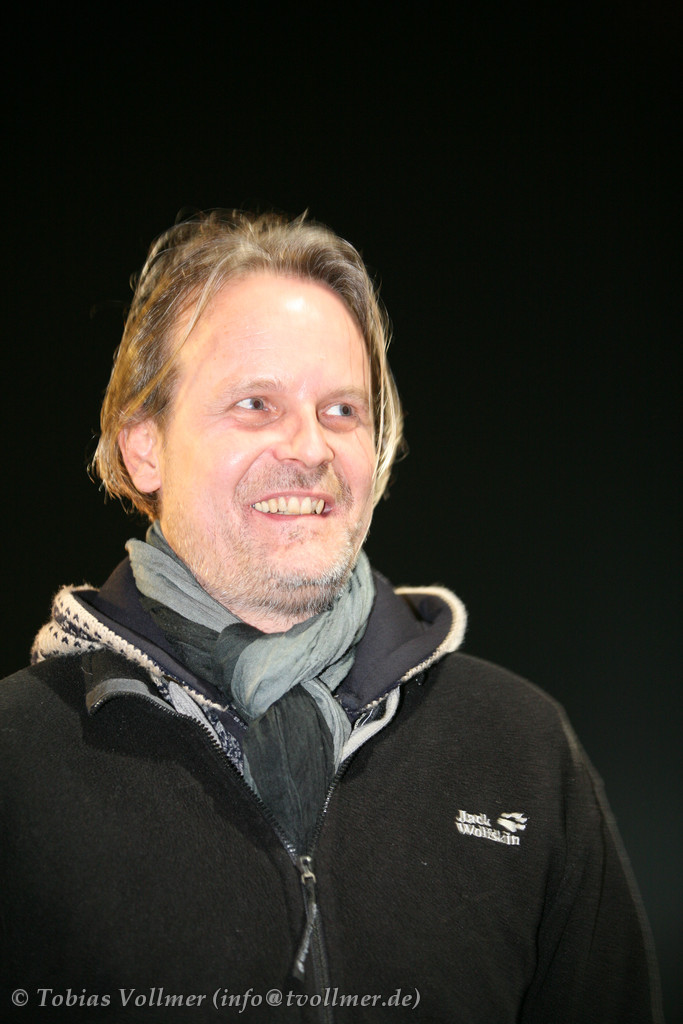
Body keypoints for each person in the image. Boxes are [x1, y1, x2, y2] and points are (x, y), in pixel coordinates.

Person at [1, 210, 662, 1022]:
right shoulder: (17, 761)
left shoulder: (518, 749)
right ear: (144, 446)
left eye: (342, 411)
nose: (310, 448)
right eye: (256, 403)